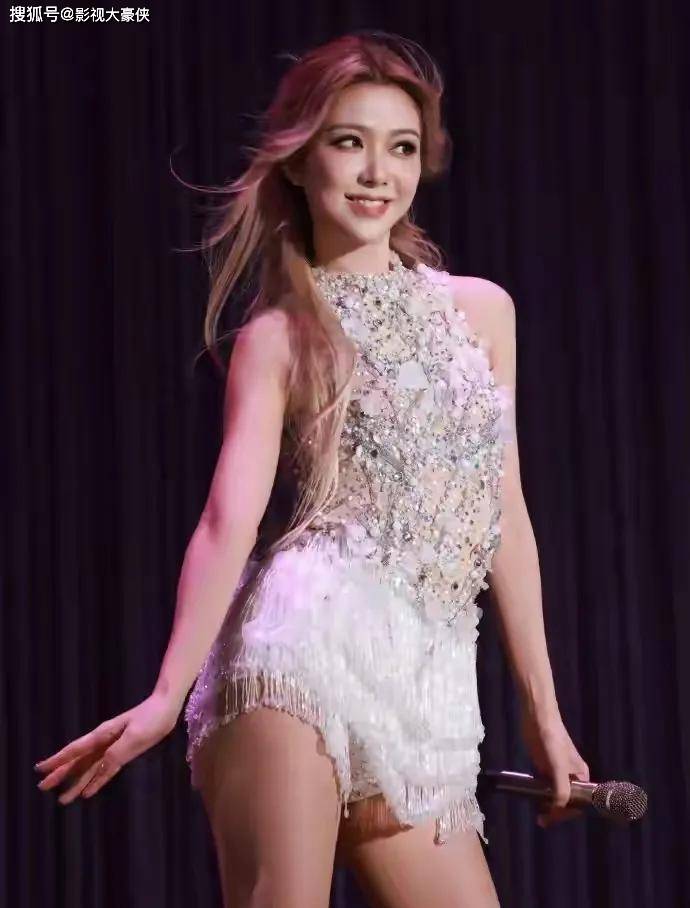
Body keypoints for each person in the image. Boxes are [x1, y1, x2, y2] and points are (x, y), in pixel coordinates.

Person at [35, 32, 590, 908]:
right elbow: (227, 520)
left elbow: (504, 514)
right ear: (299, 161)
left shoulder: (484, 312)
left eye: (400, 148)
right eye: (348, 142)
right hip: (298, 652)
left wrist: (545, 717)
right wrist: (165, 695)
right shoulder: (281, 334)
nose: (377, 172)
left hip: (430, 688)